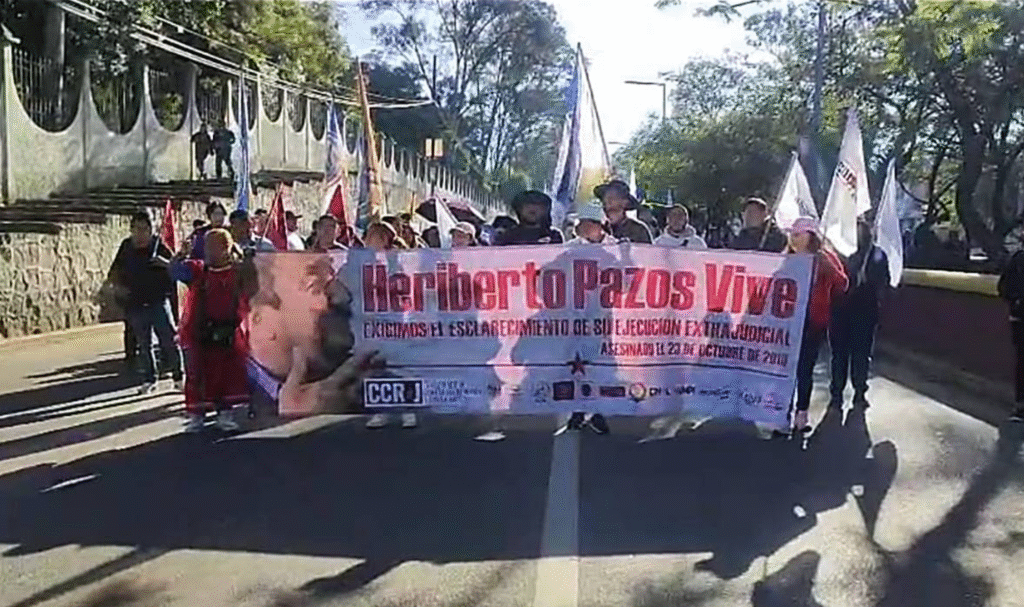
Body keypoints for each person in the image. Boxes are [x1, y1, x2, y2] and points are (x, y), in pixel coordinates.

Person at [171, 229, 249, 433]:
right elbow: (175, 271)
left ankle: (225, 413)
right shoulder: (198, 270)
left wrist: (251, 261)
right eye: (207, 246)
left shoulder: (238, 272)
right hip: (198, 331)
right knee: (196, 374)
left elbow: (257, 284)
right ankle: (196, 415)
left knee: (226, 374)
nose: (209, 251)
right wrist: (181, 255)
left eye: (214, 246)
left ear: (226, 249)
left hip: (228, 331)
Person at [785, 217, 849, 434]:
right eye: (792, 235)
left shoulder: (825, 258)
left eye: (798, 235)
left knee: (805, 369)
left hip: (814, 323)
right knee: (786, 369)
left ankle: (801, 414)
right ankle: (781, 413)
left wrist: (827, 267)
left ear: (810, 236)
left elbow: (842, 284)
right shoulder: (786, 258)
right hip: (787, 323)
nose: (794, 239)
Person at [109, 211, 184, 394]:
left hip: (158, 301)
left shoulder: (159, 246)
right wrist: (115, 290)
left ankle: (178, 377)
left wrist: (163, 262)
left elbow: (175, 268)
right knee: (144, 345)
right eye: (136, 229)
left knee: (169, 340)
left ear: (151, 230)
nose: (140, 234)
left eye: (144, 229)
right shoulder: (126, 247)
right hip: (135, 303)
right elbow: (116, 271)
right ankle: (149, 379)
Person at [565, 201, 614, 435]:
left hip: (605, 317)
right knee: (577, 365)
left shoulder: (615, 248)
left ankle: (598, 412)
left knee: (601, 365)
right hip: (576, 316)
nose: (581, 227)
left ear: (598, 225)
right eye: (580, 223)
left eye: (586, 223)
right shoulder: (570, 248)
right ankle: (577, 410)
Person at [829, 219, 890, 409]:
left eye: (860, 227)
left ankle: (859, 392)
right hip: (840, 311)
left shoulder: (876, 254)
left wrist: (869, 279)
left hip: (865, 312)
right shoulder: (838, 252)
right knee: (839, 356)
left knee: (861, 356)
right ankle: (836, 394)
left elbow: (884, 282)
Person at [363, 221, 417, 429]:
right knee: (378, 366)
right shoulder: (366, 259)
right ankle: (382, 410)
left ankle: (409, 409)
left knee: (400, 366)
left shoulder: (396, 259)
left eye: (372, 236)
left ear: (382, 238)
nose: (367, 240)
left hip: (395, 320)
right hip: (374, 321)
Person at [997, 248, 1024, 422]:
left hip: (1018, 317)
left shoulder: (1017, 259)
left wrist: (1015, 301)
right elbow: (1003, 288)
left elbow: (1003, 288)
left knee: (1021, 361)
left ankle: (1020, 404)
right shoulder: (1018, 260)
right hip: (1020, 318)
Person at [594, 180, 652, 244]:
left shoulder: (638, 230)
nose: (606, 202)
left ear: (625, 203)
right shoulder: (599, 230)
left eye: (612, 198)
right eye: (604, 198)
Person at [497, 191, 563, 245]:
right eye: (527, 204)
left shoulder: (554, 236)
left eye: (538, 205)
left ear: (546, 210)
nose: (533, 208)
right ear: (519, 209)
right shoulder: (508, 236)